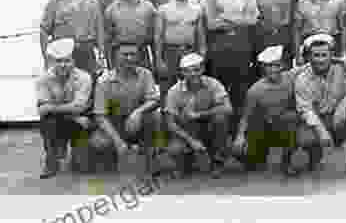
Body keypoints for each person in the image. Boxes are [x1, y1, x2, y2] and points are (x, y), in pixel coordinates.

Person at [294, 33, 346, 177]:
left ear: (331, 56)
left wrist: (342, 108)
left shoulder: (343, 70)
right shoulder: (302, 79)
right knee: (304, 138)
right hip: (318, 120)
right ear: (309, 57)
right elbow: (306, 110)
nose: (320, 59)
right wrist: (321, 131)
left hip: (339, 118)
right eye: (316, 55)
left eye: (324, 55)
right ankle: (314, 154)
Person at [88, 43, 162, 177]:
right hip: (114, 122)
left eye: (133, 54)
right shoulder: (104, 81)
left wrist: (137, 112)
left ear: (138, 57)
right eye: (125, 55)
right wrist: (118, 141)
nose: (129, 58)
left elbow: (154, 100)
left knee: (156, 117)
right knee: (98, 142)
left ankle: (150, 156)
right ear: (115, 57)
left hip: (138, 121)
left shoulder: (145, 74)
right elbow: (100, 116)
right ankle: (114, 155)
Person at [204, 0, 260, 131]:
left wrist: (226, 19)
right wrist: (237, 21)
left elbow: (252, 20)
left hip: (241, 45)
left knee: (240, 87)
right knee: (219, 86)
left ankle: (238, 128)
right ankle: (220, 127)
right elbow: (211, 24)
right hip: (219, 45)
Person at [232, 45, 300, 175]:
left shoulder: (291, 77)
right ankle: (254, 156)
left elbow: (311, 66)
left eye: (276, 65)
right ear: (263, 69)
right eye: (269, 66)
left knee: (291, 117)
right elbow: (246, 116)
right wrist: (240, 137)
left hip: (283, 126)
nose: (273, 70)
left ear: (283, 66)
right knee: (246, 156)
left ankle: (287, 162)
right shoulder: (255, 90)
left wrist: (339, 59)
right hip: (262, 129)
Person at [164, 53, 233, 178]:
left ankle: (217, 162)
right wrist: (191, 141)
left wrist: (200, 114)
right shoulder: (174, 91)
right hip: (187, 131)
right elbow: (170, 123)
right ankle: (185, 163)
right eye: (188, 71)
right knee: (175, 150)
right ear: (182, 73)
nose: (193, 74)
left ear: (203, 69)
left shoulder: (213, 84)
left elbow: (228, 108)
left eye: (196, 70)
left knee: (221, 118)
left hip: (209, 127)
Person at [35, 38, 93, 178]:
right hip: (64, 121)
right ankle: (52, 160)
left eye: (67, 61)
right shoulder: (43, 79)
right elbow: (42, 109)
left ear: (74, 61)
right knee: (47, 122)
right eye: (59, 61)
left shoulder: (84, 78)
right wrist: (73, 114)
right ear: (52, 62)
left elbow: (79, 106)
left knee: (81, 168)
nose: (63, 65)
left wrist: (53, 108)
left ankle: (75, 152)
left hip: (78, 123)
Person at [154, 0, 207, 106]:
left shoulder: (197, 8)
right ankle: (166, 123)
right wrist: (159, 60)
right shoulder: (163, 9)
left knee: (191, 90)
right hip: (169, 52)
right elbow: (158, 37)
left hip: (190, 51)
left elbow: (201, 37)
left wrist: (202, 57)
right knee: (167, 90)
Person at [40, 0, 104, 76]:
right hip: (63, 52)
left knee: (88, 85)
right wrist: (47, 58)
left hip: (86, 51)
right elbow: (44, 30)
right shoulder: (55, 2)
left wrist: (101, 56)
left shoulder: (92, 2)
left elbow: (99, 31)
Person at [104, 0, 156, 70]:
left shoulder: (148, 7)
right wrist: (110, 66)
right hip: (120, 55)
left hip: (141, 54)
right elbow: (108, 41)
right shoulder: (111, 10)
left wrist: (156, 60)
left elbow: (154, 38)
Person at [293, 0, 346, 65]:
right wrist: (298, 55)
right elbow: (297, 30)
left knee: (333, 77)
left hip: (332, 45)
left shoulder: (338, 1)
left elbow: (343, 28)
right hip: (310, 46)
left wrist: (343, 52)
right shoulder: (302, 2)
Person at [254, 0, 293, 67]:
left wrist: (283, 27)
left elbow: (292, 8)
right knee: (266, 66)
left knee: (284, 66)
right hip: (263, 34)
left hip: (284, 33)